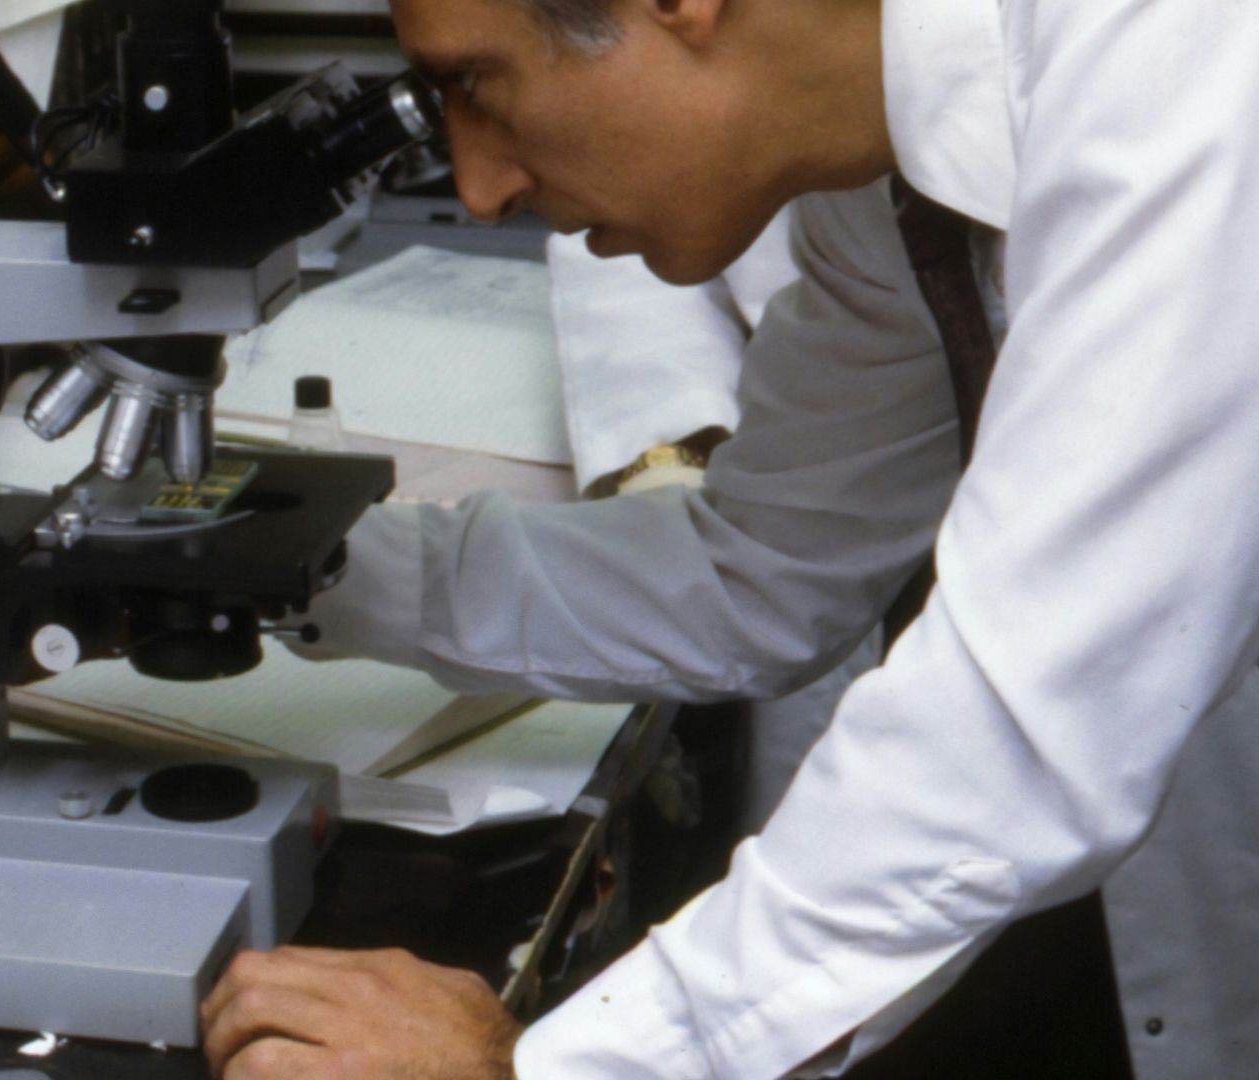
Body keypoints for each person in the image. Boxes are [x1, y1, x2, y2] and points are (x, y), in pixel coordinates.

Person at [198, 0, 1259, 1077]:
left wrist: (539, 1067)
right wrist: (287, 568)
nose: (477, 190)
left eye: (476, 84)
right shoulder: (879, 179)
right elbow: (761, 567)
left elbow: (1027, 724)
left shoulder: (1181, 71)